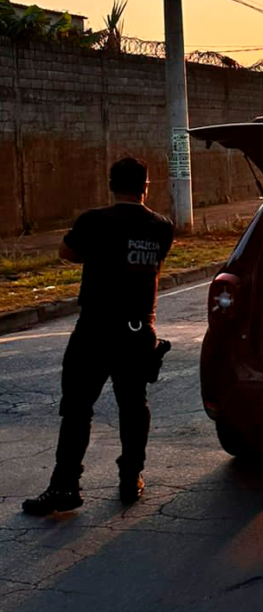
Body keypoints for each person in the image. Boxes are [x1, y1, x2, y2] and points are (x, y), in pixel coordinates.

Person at [22, 157, 175, 516]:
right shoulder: (162, 227)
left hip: (94, 330)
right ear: (145, 187)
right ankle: (130, 479)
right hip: (138, 331)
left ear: (110, 184)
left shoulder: (93, 221)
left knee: (77, 409)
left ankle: (64, 486)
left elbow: (67, 253)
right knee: (134, 407)